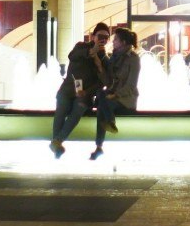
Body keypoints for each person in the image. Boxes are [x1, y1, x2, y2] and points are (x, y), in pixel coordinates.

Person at [50, 22, 110, 156]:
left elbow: (104, 82)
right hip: (67, 89)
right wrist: (90, 52)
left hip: (84, 95)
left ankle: (56, 142)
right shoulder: (81, 46)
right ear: (93, 36)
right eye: (100, 36)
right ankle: (56, 143)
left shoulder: (104, 58)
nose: (103, 40)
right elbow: (72, 56)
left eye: (106, 38)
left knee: (79, 108)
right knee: (61, 108)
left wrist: (99, 66)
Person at [92, 26, 141, 160]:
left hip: (126, 99)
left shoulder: (133, 59)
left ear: (124, 42)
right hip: (111, 98)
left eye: (116, 40)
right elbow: (108, 81)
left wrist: (115, 95)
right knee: (102, 97)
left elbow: (131, 86)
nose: (113, 42)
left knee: (103, 103)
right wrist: (99, 67)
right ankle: (109, 124)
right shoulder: (114, 57)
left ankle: (99, 146)